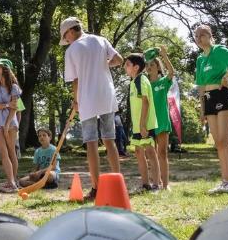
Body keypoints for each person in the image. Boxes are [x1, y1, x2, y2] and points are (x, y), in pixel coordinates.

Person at [60, 16, 123, 201]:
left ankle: (96, 188)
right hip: (106, 95)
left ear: (71, 31)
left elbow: (76, 80)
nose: (67, 41)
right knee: (109, 140)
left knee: (91, 143)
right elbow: (118, 60)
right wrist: (103, 64)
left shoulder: (72, 50)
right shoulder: (100, 40)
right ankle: (117, 183)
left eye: (66, 37)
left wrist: (75, 100)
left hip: (87, 97)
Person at [193, 24, 228, 194]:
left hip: (222, 94)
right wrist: (202, 110)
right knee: (218, 143)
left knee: (224, 139)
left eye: (202, 35)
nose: (199, 38)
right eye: (196, 36)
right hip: (208, 99)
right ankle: (224, 182)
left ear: (210, 35)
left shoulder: (219, 50)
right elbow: (201, 87)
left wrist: (227, 75)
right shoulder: (200, 59)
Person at [124, 53, 160, 192]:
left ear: (136, 67)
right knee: (139, 152)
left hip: (146, 124)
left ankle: (156, 185)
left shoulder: (141, 80)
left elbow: (146, 102)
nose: (125, 67)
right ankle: (145, 185)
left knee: (150, 152)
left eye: (127, 64)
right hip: (138, 126)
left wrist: (143, 124)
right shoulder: (133, 82)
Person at [0, 58, 22, 193]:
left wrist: (7, 124)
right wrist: (6, 105)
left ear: (5, 69)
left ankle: (12, 182)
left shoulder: (14, 87)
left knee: (11, 152)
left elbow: (15, 108)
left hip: (11, 123)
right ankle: (11, 183)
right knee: (3, 153)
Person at [146, 46, 176, 190]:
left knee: (162, 153)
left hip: (162, 122)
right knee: (151, 154)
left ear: (158, 67)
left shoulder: (163, 82)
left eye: (152, 65)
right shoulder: (144, 85)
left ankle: (166, 184)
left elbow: (172, 72)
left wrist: (164, 55)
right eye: (147, 65)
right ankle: (155, 183)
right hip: (148, 123)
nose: (149, 67)